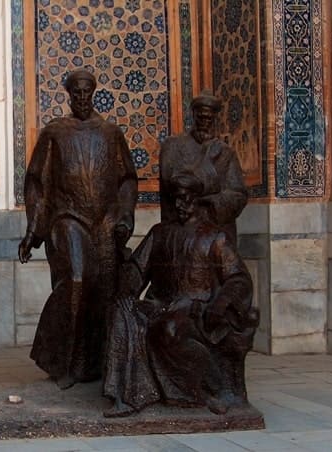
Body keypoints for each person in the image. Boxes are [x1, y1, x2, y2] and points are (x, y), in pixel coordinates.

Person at [19, 69, 138, 389]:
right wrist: (34, 229)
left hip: (104, 220)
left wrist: (125, 215)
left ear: (93, 93)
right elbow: (37, 183)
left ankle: (99, 362)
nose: (83, 99)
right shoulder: (55, 132)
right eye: (77, 94)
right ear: (69, 96)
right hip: (68, 218)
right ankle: (63, 359)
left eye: (88, 93)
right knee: (76, 279)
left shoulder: (110, 132)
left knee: (105, 289)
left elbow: (127, 179)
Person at [103, 172, 258, 417]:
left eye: (184, 199)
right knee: (122, 314)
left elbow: (238, 278)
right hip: (159, 304)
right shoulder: (159, 233)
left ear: (197, 200)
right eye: (175, 199)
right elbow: (137, 270)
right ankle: (128, 397)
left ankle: (213, 387)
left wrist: (220, 303)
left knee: (170, 329)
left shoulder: (214, 237)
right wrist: (127, 281)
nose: (179, 205)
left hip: (197, 310)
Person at [159, 90, 247, 243]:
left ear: (215, 118)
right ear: (193, 115)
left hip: (215, 229)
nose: (205, 122)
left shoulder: (225, 152)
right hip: (181, 227)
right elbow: (173, 184)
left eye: (209, 118)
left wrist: (208, 204)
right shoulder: (172, 145)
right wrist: (206, 162)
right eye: (201, 117)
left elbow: (238, 194)